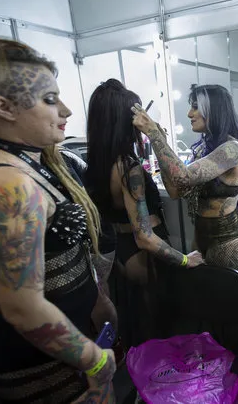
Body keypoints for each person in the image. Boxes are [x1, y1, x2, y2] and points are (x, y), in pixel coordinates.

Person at [0, 37, 115, 403]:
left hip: (67, 343)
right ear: (3, 107)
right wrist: (96, 362)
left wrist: (97, 300)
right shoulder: (9, 185)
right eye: (50, 100)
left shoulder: (28, 164)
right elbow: (23, 308)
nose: (65, 110)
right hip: (42, 366)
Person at [84, 79, 202, 346]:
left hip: (122, 254)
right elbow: (145, 237)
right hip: (146, 256)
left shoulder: (96, 162)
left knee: (139, 324)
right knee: (160, 330)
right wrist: (185, 260)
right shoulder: (128, 167)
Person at [132, 84, 238, 273]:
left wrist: (154, 134)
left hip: (226, 243)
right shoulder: (204, 149)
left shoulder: (232, 149)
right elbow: (175, 190)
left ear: (214, 109)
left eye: (196, 107)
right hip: (199, 237)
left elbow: (183, 176)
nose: (190, 113)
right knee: (200, 299)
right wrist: (160, 144)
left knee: (223, 300)